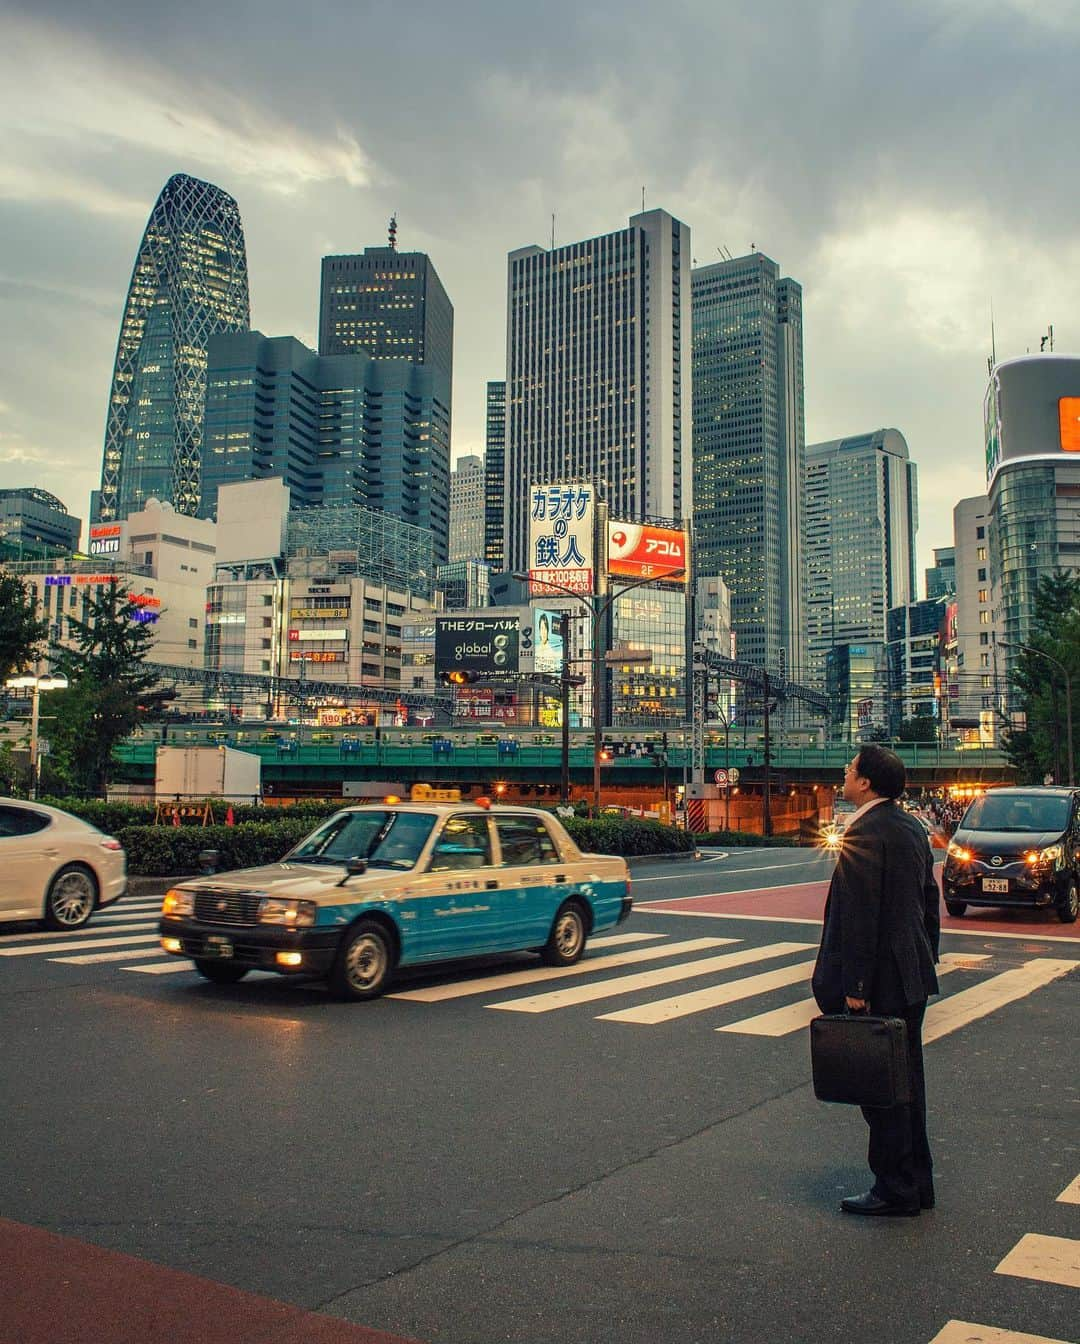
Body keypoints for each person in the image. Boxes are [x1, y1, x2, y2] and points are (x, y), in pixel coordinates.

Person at [812, 744, 941, 1217]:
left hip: (879, 979)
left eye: (849, 770)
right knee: (908, 1083)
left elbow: (861, 917)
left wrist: (857, 988)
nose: (844, 775)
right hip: (909, 973)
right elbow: (929, 902)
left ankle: (893, 1187)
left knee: (881, 1089)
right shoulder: (910, 827)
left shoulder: (864, 831)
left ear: (865, 783)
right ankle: (916, 1182)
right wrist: (926, 958)